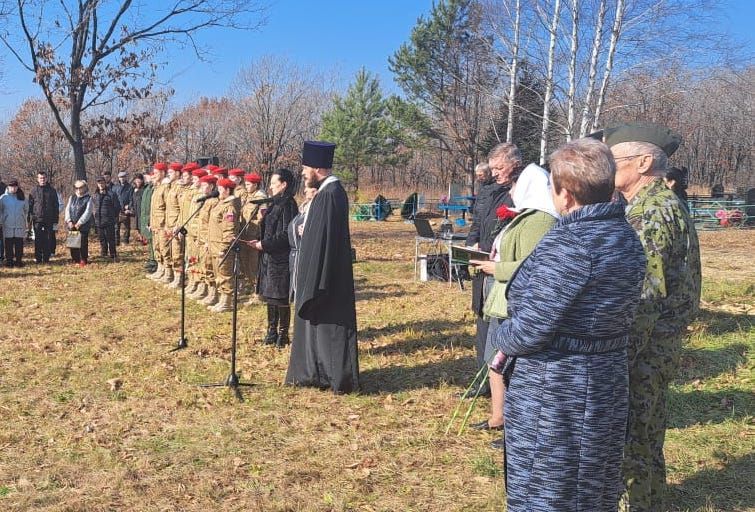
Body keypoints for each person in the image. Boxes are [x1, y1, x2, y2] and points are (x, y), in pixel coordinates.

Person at [491, 138, 646, 511]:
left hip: (558, 387)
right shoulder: (625, 236)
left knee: (548, 488)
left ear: (564, 194)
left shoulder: (570, 243)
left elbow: (530, 330)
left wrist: (500, 334)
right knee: (592, 486)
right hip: (606, 378)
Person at [604, 122, 702, 511]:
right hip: (654, 346)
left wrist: (617, 358)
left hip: (644, 350)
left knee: (636, 444)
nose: (608, 170)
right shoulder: (654, 204)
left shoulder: (653, 211)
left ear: (642, 162)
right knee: (642, 438)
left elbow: (644, 295)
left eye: (615, 161)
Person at [468, 163, 558, 448]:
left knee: (508, 367)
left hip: (514, 299)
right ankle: (499, 417)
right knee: (494, 362)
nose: (511, 191)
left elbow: (533, 265)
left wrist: (497, 269)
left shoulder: (541, 220)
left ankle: (515, 430)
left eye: (514, 185)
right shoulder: (525, 216)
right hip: (502, 298)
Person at [285, 141, 359, 394]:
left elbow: (324, 241)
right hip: (322, 276)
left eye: (306, 168)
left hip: (328, 279)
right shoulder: (326, 193)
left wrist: (314, 283)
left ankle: (335, 377)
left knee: (333, 330)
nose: (303, 173)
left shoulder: (330, 194)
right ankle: (318, 373)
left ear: (317, 168)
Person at [464, 146, 517, 397]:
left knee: (498, 329)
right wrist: (470, 244)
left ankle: (500, 387)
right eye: (492, 168)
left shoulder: (520, 193)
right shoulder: (487, 193)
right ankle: (481, 383)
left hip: (501, 269)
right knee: (482, 326)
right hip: (482, 266)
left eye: (499, 168)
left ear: (515, 165)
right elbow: (477, 224)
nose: (495, 173)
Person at [246, 169, 298, 345]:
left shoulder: (289, 205)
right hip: (269, 257)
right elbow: (269, 229)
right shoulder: (274, 203)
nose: (270, 186)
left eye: (274, 183)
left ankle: (283, 335)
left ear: (283, 185)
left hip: (280, 259)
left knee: (280, 297)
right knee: (270, 296)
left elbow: (286, 234)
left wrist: (265, 244)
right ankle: (271, 331)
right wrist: (259, 240)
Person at [206, 178, 240, 313]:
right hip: (214, 244)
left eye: (220, 189)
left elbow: (229, 230)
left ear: (227, 190)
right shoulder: (220, 204)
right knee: (218, 273)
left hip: (222, 247)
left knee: (224, 274)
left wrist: (224, 247)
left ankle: (226, 302)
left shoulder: (229, 207)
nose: (218, 191)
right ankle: (221, 299)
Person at [240, 172, 268, 305]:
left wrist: (257, 226)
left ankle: (259, 293)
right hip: (245, 233)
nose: (246, 186)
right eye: (245, 184)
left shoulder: (260, 197)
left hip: (254, 234)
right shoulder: (247, 196)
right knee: (246, 262)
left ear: (255, 185)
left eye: (248, 184)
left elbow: (263, 215)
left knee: (254, 264)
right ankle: (251, 286)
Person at [288, 185, 318, 304]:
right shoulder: (303, 208)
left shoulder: (317, 209)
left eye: (308, 188)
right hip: (295, 255)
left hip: (305, 255)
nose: (304, 190)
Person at [28, 171, 60, 263]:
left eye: (44, 178)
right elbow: (30, 205)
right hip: (37, 219)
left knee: (48, 239)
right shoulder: (33, 190)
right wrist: (29, 219)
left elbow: (56, 205)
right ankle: (38, 258)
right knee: (38, 239)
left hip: (49, 219)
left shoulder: (52, 190)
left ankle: (46, 258)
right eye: (41, 178)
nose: (42, 180)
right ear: (38, 179)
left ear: (46, 179)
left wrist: (55, 219)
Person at [147, 162, 169, 280]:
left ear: (163, 173)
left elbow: (168, 208)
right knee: (157, 248)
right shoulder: (157, 188)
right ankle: (161, 269)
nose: (154, 175)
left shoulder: (165, 188)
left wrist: (165, 224)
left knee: (165, 249)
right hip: (156, 224)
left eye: (156, 173)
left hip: (163, 224)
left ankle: (168, 273)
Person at [64, 180, 93, 266]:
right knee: (73, 244)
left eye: (80, 187)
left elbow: (88, 212)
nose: (78, 189)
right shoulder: (71, 197)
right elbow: (67, 210)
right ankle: (75, 259)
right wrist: (68, 221)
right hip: (72, 224)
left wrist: (79, 223)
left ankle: (83, 259)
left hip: (83, 225)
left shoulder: (88, 198)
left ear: (85, 187)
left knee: (83, 244)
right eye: (76, 188)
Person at [0, 179, 29, 267]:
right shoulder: (3, 198)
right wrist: (1, 221)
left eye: (15, 186)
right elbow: (0, 211)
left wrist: (25, 221)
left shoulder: (22, 197)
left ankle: (19, 261)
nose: (13, 188)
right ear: (8, 187)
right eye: (11, 186)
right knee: (8, 244)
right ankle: (9, 261)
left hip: (20, 224)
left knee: (19, 244)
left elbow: (26, 210)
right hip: (7, 224)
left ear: (17, 187)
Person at [92, 177, 119, 261]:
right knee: (102, 238)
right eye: (99, 183)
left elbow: (117, 207)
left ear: (105, 183)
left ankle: (113, 254)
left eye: (102, 183)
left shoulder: (111, 194)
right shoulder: (95, 195)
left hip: (109, 220)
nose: (101, 184)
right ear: (97, 184)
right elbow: (93, 207)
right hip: (98, 220)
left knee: (110, 238)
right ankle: (104, 252)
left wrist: (112, 216)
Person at [112, 171, 134, 245]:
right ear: (118, 178)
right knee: (116, 227)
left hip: (125, 210)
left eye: (124, 177)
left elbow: (132, 199)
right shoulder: (115, 187)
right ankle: (116, 242)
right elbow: (112, 198)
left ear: (126, 177)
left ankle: (125, 241)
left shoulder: (130, 187)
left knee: (126, 227)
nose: (122, 178)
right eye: (121, 177)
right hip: (116, 210)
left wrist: (129, 206)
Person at [130, 173, 146, 243]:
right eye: (136, 181)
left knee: (142, 225)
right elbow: (132, 200)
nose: (138, 182)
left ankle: (144, 239)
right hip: (136, 211)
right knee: (137, 226)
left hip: (142, 211)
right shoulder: (134, 190)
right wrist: (131, 207)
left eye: (139, 181)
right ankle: (140, 237)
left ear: (142, 181)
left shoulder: (144, 189)